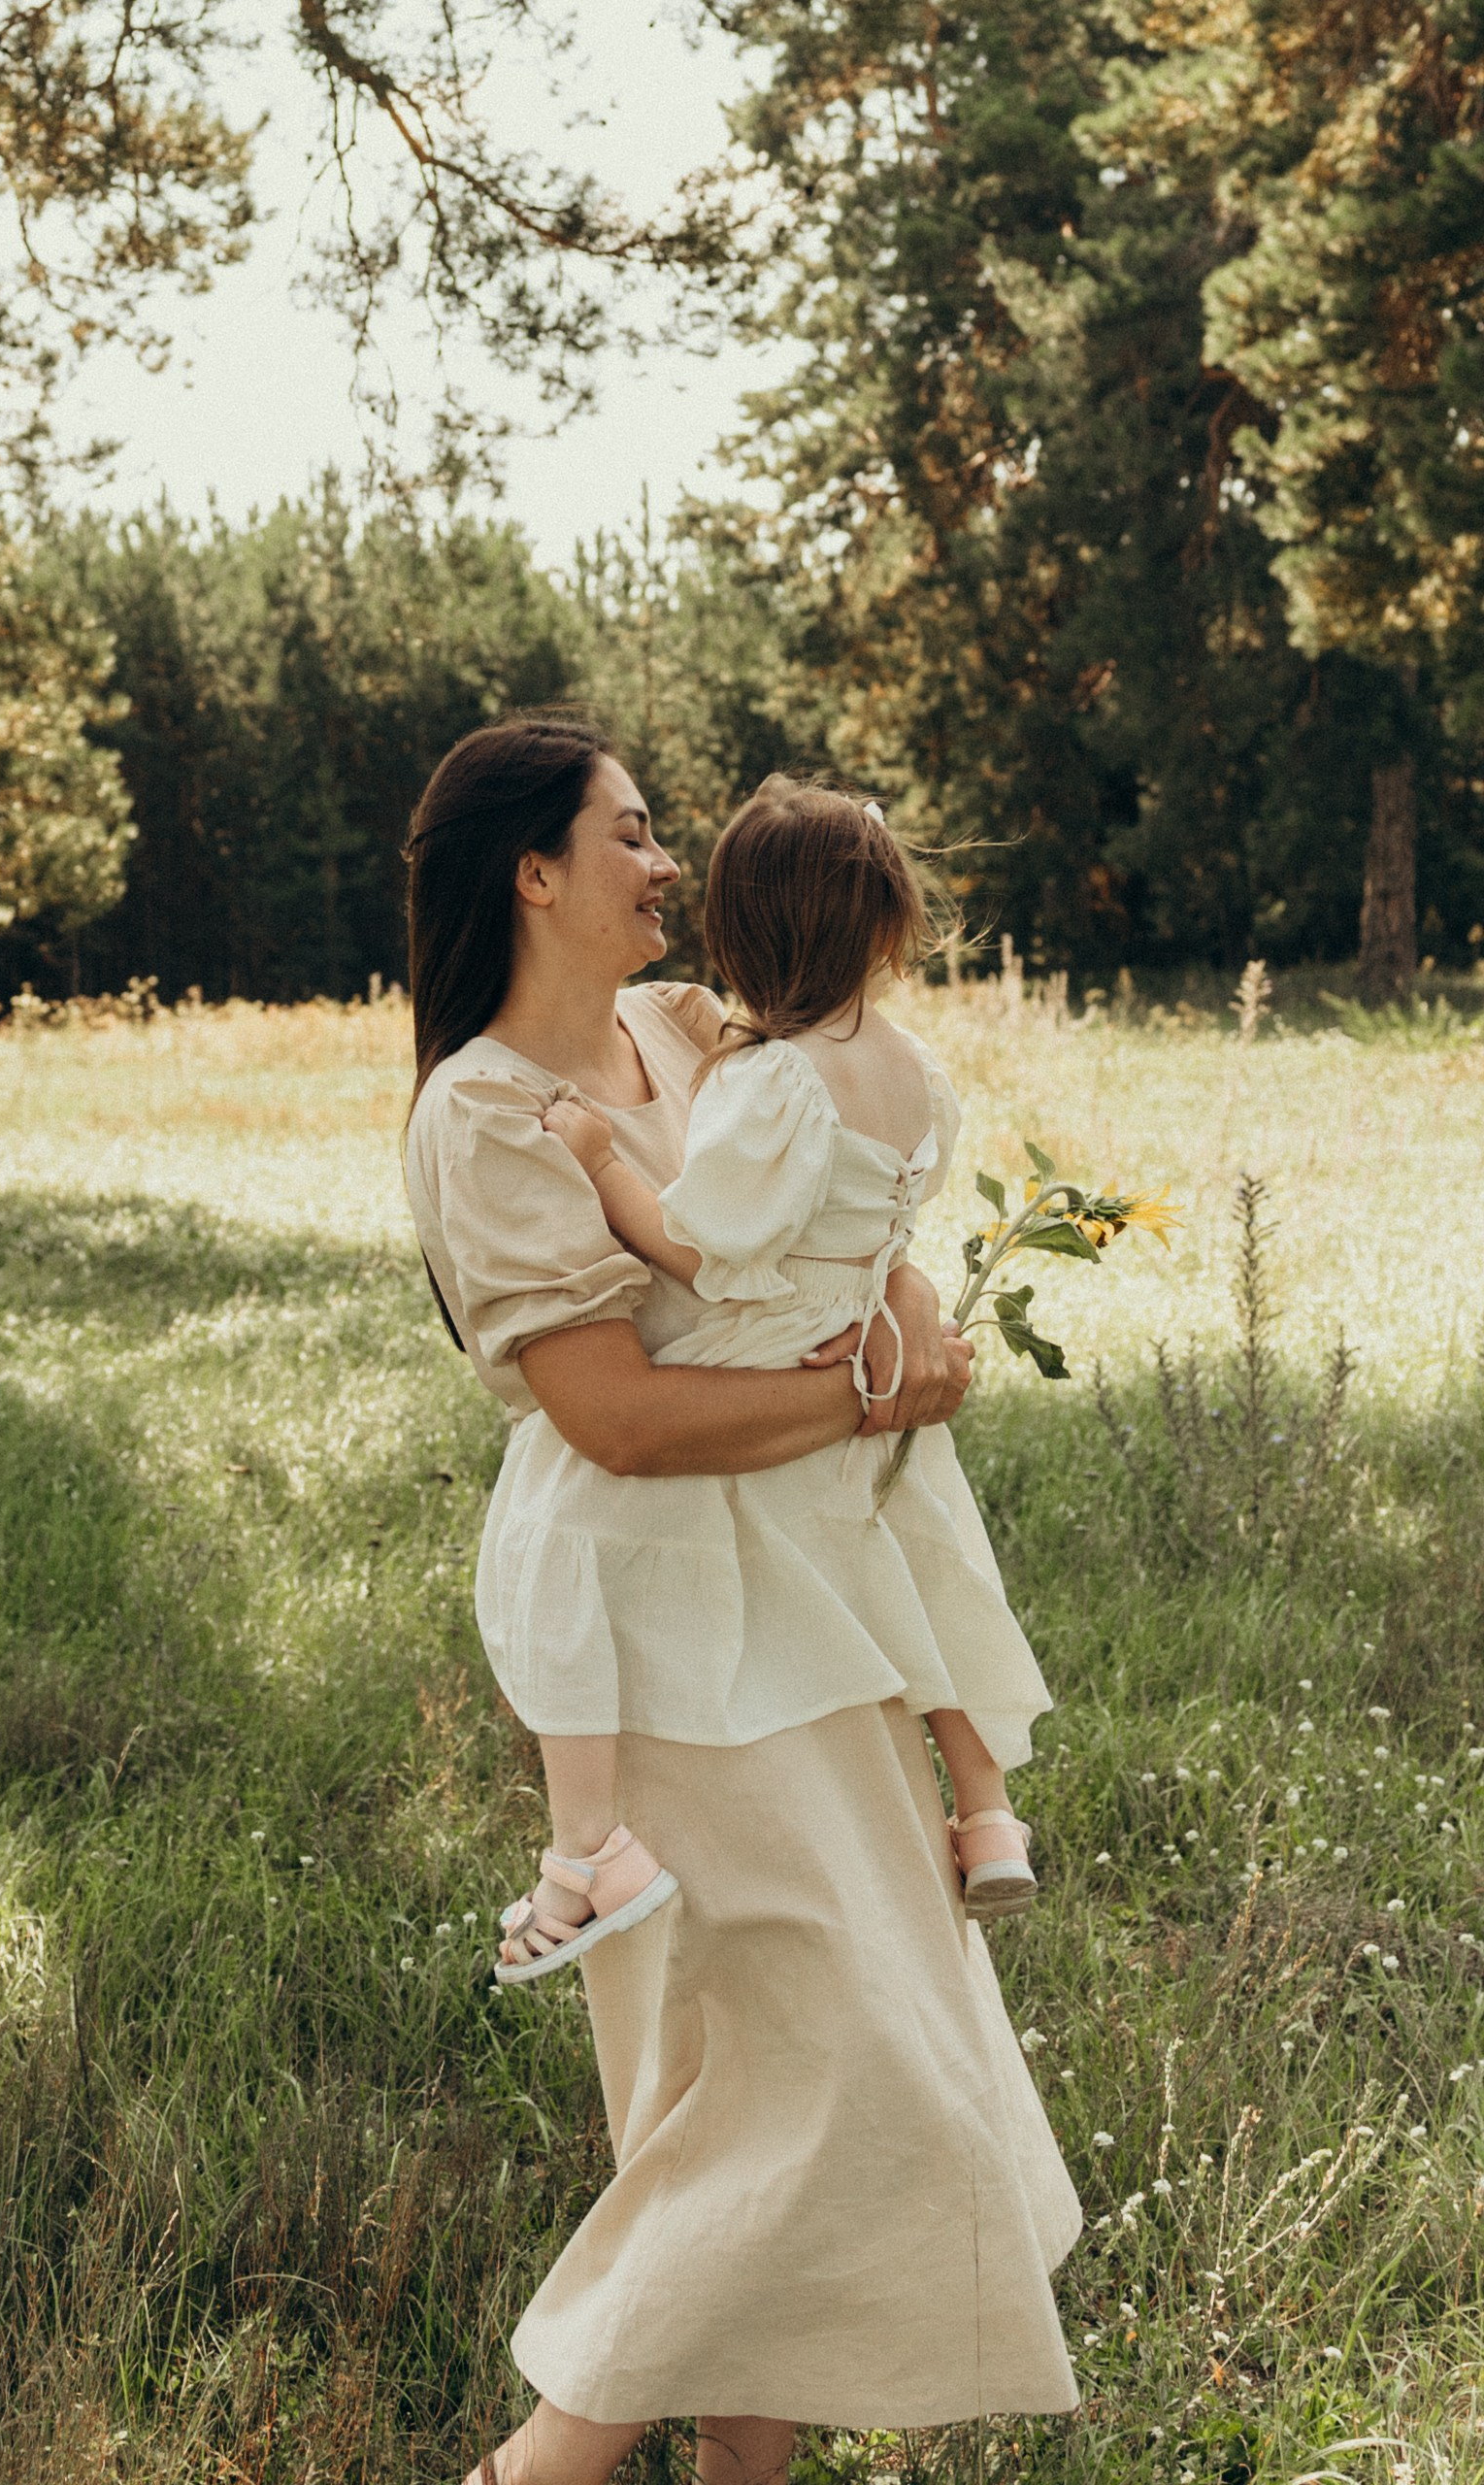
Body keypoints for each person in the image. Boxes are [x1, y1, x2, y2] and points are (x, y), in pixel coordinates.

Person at [400, 716, 1078, 2485]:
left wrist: (912, 1304)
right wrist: (867, 1394)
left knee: (783, 2065)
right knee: (813, 2079)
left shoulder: (679, 1026)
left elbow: (819, 1193)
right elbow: (614, 1414)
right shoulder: (482, 1112)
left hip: (815, 1580)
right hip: (662, 1626)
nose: (666, 864)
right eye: (630, 834)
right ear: (532, 869)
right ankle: (536, 2468)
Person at [518, 772, 1047, 1976]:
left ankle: (585, 1849)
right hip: (861, 1333)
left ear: (749, 935)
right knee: (920, 1568)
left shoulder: (776, 1081)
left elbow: (703, 1249)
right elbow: (885, 1223)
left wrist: (601, 1160)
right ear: (888, 921)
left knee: (573, 1538)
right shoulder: (919, 1070)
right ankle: (985, 1811)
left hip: (768, 1343)